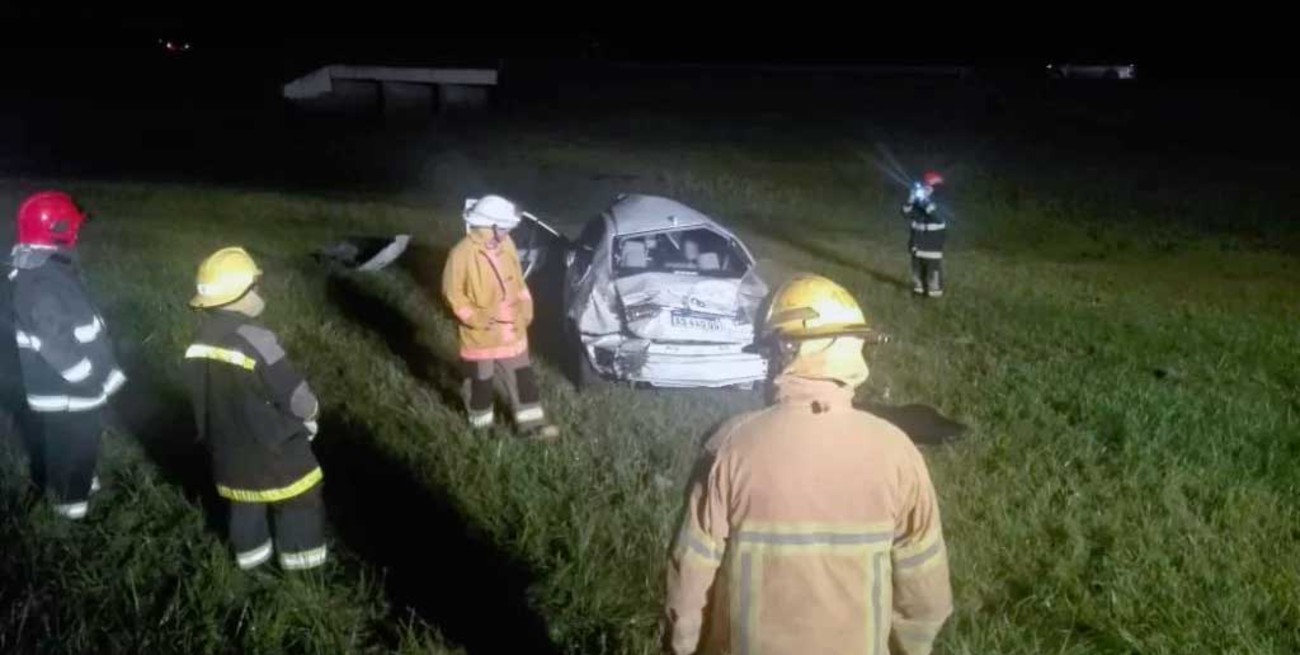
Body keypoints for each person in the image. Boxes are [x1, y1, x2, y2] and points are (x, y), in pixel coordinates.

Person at [664, 274, 953, 655]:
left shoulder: (730, 446)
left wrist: (681, 647)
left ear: (785, 351)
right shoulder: (897, 451)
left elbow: (690, 574)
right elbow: (924, 595)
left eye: (770, 352)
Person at [183, 247, 327, 571]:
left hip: (227, 452)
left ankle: (250, 563)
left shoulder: (197, 343)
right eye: (255, 286)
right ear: (241, 294)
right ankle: (302, 568)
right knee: (299, 501)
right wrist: (311, 413)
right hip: (274, 451)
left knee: (245, 504)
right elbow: (291, 392)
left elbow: (200, 401)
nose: (260, 292)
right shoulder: (257, 339)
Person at [9, 191, 125, 519]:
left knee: (81, 439)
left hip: (75, 386)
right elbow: (54, 341)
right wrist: (85, 372)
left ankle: (81, 479)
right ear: (60, 230)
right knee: (72, 443)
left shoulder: (49, 269)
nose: (78, 233)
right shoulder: (41, 283)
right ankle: (69, 504)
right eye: (74, 227)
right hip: (68, 389)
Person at [442, 195, 559, 440]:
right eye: (504, 228)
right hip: (480, 337)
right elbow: (453, 294)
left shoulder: (507, 246)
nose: (507, 233)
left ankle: (531, 427)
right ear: (488, 226)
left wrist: (526, 307)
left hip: (512, 334)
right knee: (480, 383)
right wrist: (477, 318)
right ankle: (482, 428)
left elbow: (518, 281)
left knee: (523, 380)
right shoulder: (461, 254)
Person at [903, 171, 947, 298]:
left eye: (927, 188)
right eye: (923, 187)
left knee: (932, 270)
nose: (924, 190)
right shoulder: (919, 202)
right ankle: (918, 291)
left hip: (932, 244)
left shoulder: (941, 202)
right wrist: (910, 200)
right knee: (916, 270)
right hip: (917, 243)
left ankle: (934, 294)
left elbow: (937, 216)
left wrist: (924, 201)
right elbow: (905, 213)